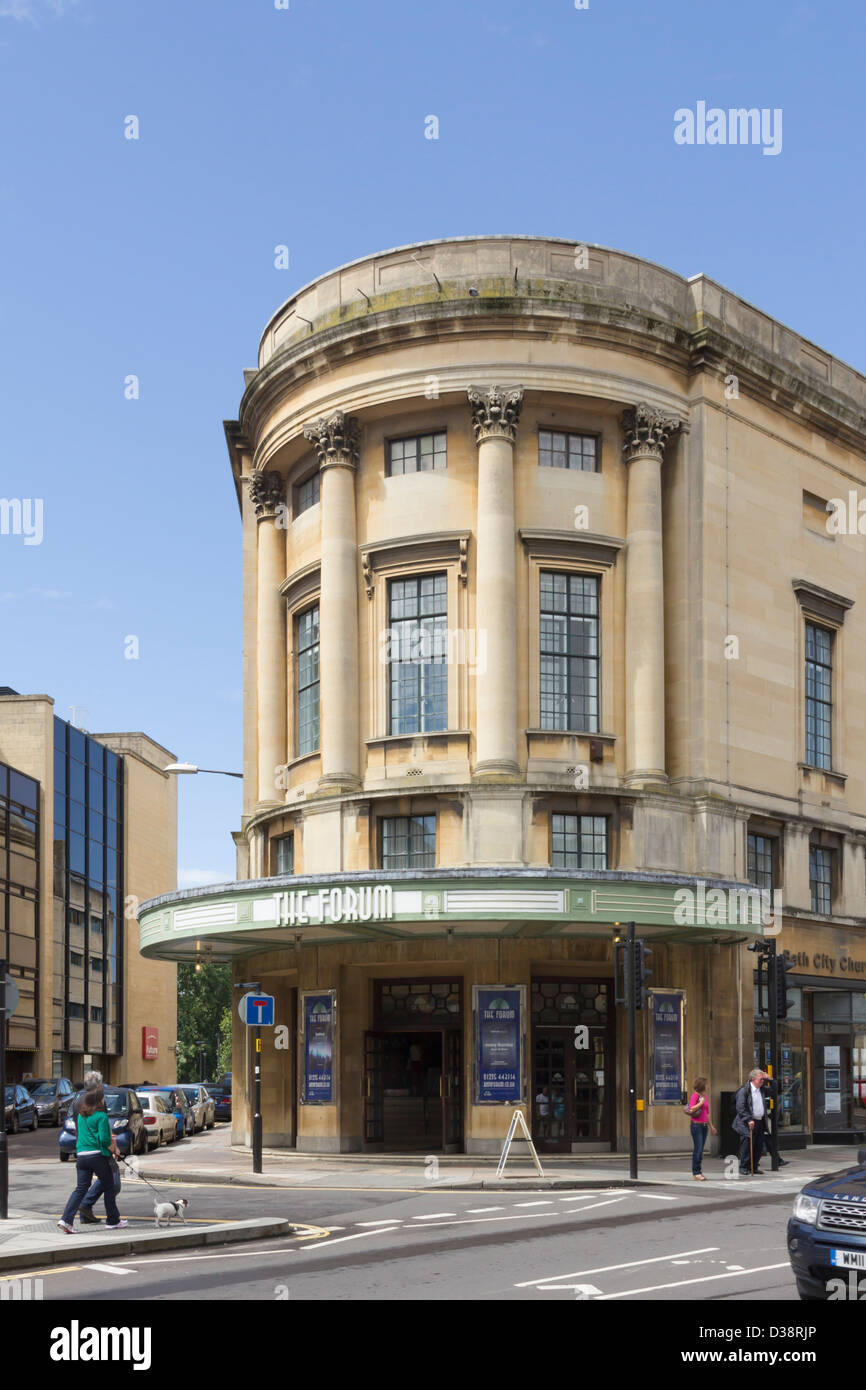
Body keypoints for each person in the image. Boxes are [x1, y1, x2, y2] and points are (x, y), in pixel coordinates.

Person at [57, 1085, 127, 1233]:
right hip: (97, 1156)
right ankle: (113, 1221)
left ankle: (66, 1220)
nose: (104, 1100)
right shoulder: (101, 1116)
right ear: (99, 1101)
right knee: (109, 1186)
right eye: (103, 1098)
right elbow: (104, 1139)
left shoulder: (82, 1117)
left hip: (81, 1157)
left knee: (80, 1189)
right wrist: (115, 1150)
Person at [69, 1070, 106, 1224]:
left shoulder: (77, 1101)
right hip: (97, 1148)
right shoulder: (98, 1101)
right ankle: (113, 1219)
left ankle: (78, 1216)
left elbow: (76, 1123)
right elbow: (102, 1127)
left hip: (81, 1148)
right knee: (111, 1180)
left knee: (82, 1186)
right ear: (98, 1085)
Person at [733, 1068, 768, 1175]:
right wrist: (748, 1119)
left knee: (758, 1145)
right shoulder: (744, 1090)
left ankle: (754, 1166)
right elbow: (740, 1107)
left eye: (763, 1079)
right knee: (747, 1145)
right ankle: (744, 1166)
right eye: (760, 1079)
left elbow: (775, 1090)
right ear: (753, 1079)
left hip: (759, 1121)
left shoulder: (762, 1089)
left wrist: (769, 1079)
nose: (762, 1081)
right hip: (747, 1122)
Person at [685, 1076, 717, 1180]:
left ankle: (699, 1171)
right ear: (702, 1085)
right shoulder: (695, 1096)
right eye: (706, 1084)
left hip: (704, 1126)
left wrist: (711, 1126)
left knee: (701, 1149)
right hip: (696, 1126)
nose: (708, 1086)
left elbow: (707, 1114)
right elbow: (691, 1108)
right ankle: (696, 1173)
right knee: (698, 1149)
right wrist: (700, 1103)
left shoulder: (705, 1096)